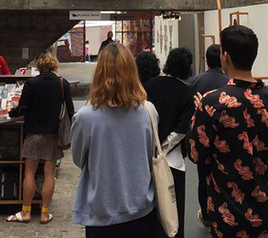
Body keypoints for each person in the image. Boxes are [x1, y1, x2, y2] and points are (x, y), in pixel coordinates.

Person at [188, 25, 268, 237]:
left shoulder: (213, 102)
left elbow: (195, 153)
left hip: (228, 214)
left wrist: (199, 114)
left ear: (226, 57)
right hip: (267, 209)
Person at [71, 43, 165, 237]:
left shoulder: (85, 117)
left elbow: (79, 159)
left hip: (101, 211)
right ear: (132, 72)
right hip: (142, 208)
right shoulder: (149, 111)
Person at [7, 52, 74, 224]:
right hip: (53, 134)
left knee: (29, 173)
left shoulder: (31, 84)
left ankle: (26, 212)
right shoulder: (62, 84)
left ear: (39, 66)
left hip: (33, 134)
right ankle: (44, 214)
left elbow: (22, 109)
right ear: (55, 65)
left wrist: (10, 112)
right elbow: (71, 111)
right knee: (49, 174)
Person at [144, 48, 195, 238]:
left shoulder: (151, 84)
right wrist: (163, 149)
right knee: (173, 210)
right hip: (173, 161)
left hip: (148, 156)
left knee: (151, 208)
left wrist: (153, 148)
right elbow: (181, 130)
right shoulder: (186, 93)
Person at [186, 44, 229, 225]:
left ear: (206, 60)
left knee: (203, 177)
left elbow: (189, 109)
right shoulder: (229, 81)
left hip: (203, 137)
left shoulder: (196, 81)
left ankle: (206, 215)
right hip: (225, 138)